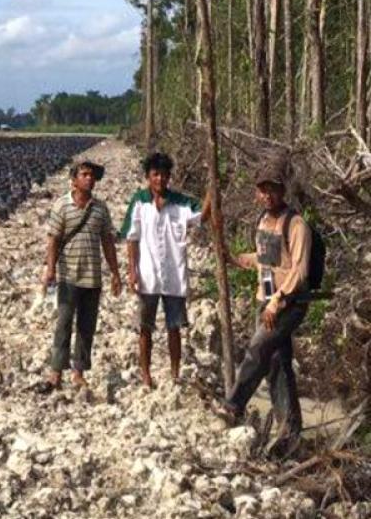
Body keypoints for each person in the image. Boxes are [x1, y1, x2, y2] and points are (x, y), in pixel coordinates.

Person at [218, 157, 311, 443]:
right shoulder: (263, 222)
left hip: (287, 303)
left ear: (283, 191)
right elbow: (265, 261)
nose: (267, 195)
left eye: (273, 189)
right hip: (266, 300)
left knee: (257, 348)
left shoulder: (296, 225)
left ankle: (232, 405)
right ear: (257, 192)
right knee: (276, 364)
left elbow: (300, 270)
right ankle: (290, 428)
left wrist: (277, 301)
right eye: (263, 189)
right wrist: (233, 259)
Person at [119, 152, 211, 387]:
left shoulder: (181, 203)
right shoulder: (139, 202)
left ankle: (174, 372)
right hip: (148, 275)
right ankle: (146, 373)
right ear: (148, 177)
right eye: (155, 175)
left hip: (173, 276)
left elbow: (204, 216)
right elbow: (132, 238)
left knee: (174, 328)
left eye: (164, 175)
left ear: (169, 177)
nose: (159, 179)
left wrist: (213, 187)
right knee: (145, 327)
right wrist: (132, 271)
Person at [39, 160, 122, 392]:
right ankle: (56, 372)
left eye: (92, 175)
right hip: (68, 276)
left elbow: (107, 241)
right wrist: (51, 270)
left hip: (93, 278)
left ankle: (78, 372)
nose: (89, 179)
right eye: (84, 175)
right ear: (74, 180)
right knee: (63, 324)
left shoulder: (100, 209)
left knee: (87, 327)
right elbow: (53, 239)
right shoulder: (62, 206)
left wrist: (115, 273)